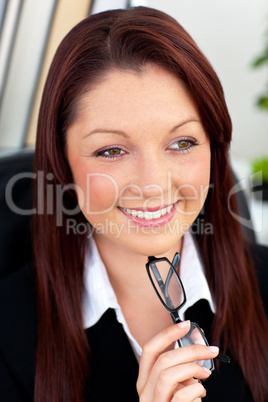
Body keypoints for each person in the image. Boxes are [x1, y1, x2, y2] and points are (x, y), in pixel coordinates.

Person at [1, 6, 268, 402]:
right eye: (111, 150)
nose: (153, 184)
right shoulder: (9, 331)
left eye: (182, 143)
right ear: (62, 161)